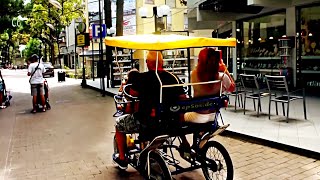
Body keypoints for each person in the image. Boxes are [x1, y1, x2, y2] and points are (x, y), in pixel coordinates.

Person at [113, 51, 187, 169]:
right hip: (170, 122)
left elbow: (132, 93)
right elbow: (183, 98)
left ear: (147, 63)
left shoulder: (142, 78)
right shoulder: (173, 77)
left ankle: (122, 159)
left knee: (119, 124)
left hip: (146, 122)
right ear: (162, 62)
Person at [184, 48, 235, 123]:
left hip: (197, 116)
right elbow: (232, 88)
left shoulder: (194, 74)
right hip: (213, 116)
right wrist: (224, 69)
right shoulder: (222, 77)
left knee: (179, 115)